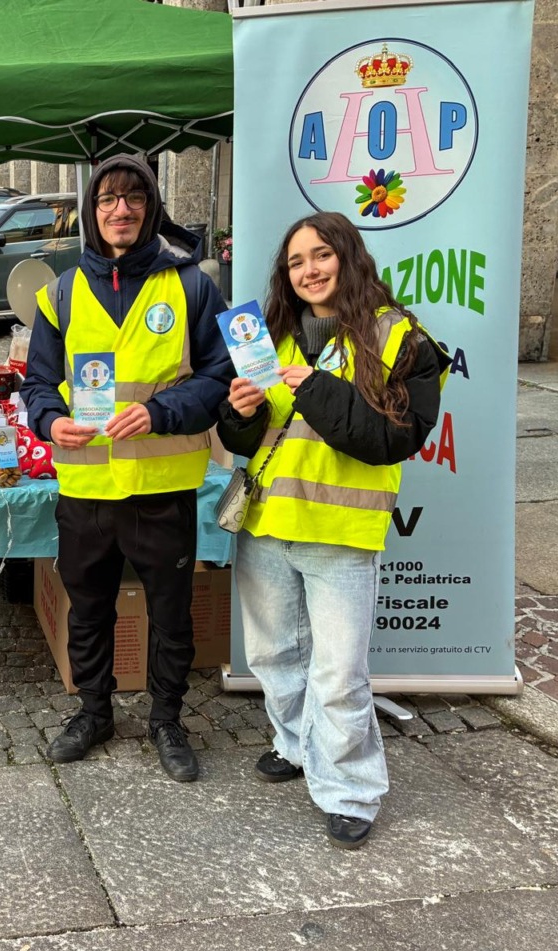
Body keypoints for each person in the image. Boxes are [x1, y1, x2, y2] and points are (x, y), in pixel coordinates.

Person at [216, 211, 449, 849]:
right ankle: (294, 745)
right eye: (295, 262)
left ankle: (350, 792)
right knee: (273, 656)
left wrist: (316, 386)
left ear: (348, 257)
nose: (309, 271)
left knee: (339, 673)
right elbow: (249, 437)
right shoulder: (272, 334)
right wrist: (238, 412)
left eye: (321, 256)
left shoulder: (398, 336)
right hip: (266, 525)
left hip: (341, 533)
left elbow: (393, 437)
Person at [21, 154, 232, 782]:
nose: (121, 209)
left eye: (134, 198)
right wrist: (49, 420)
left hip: (163, 488)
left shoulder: (192, 285)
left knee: (170, 611)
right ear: (91, 211)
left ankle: (166, 719)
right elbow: (37, 382)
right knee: (88, 610)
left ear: (152, 209)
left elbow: (220, 377)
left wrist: (161, 412)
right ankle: (94, 711)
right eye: (108, 199)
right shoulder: (59, 292)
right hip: (85, 485)